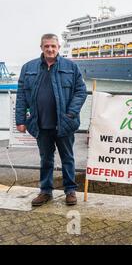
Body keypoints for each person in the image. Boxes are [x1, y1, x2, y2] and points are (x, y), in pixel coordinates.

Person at [16, 33, 87, 207]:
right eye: (47, 46)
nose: (50, 49)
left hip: (64, 123)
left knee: (67, 158)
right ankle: (45, 191)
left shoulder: (71, 67)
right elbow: (21, 96)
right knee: (45, 159)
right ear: (41, 47)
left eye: (53, 46)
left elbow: (80, 91)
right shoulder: (28, 68)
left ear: (58, 48)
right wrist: (20, 120)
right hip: (40, 123)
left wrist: (70, 113)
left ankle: (70, 190)